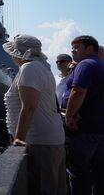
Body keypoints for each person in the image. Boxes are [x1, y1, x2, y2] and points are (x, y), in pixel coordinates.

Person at [2, 34, 66, 195]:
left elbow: (29, 107)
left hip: (39, 140)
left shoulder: (29, 68)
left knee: (43, 188)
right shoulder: (43, 68)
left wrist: (19, 139)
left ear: (18, 53)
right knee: (53, 187)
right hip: (51, 138)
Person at [64, 35, 104, 195]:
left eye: (77, 47)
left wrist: (68, 115)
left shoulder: (86, 64)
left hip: (84, 128)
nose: (73, 50)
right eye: (72, 47)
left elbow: (79, 91)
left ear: (90, 48)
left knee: (79, 171)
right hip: (98, 128)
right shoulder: (100, 65)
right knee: (99, 172)